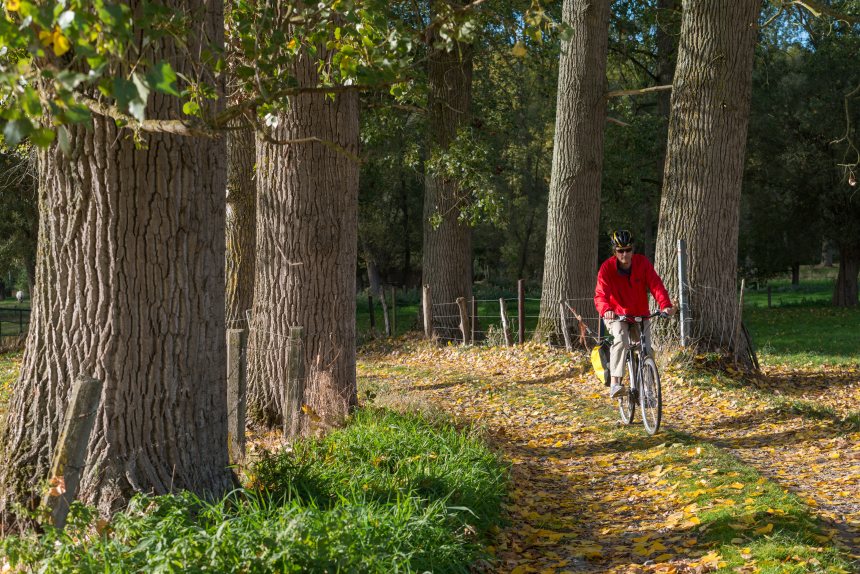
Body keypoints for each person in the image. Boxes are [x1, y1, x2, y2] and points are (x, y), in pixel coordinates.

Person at [594, 230, 675, 398]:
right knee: (621, 338)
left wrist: (665, 305)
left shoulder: (642, 264)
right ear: (614, 252)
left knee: (646, 350)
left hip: (640, 314)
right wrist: (606, 310)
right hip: (616, 315)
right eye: (620, 250)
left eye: (628, 249)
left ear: (633, 250)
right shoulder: (607, 268)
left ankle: (649, 390)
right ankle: (616, 383)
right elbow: (600, 294)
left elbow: (656, 286)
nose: (624, 254)